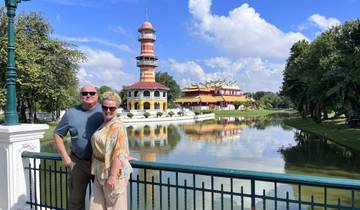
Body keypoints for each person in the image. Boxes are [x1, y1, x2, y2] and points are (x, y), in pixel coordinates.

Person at [54, 85, 104, 210]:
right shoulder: (71, 113)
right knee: (75, 201)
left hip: (100, 163)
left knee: (102, 200)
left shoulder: (105, 111)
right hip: (78, 162)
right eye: (85, 93)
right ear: (80, 95)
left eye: (92, 93)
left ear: (97, 95)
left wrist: (122, 154)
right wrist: (65, 157)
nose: (88, 95)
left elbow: (117, 132)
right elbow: (57, 134)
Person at [89, 91, 133, 210]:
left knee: (115, 207)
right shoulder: (105, 124)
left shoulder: (118, 127)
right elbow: (110, 147)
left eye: (112, 108)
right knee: (96, 207)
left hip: (113, 175)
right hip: (100, 172)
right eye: (105, 107)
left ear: (117, 109)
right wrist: (126, 156)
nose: (108, 110)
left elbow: (118, 153)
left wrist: (112, 176)